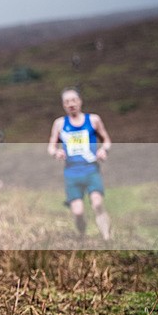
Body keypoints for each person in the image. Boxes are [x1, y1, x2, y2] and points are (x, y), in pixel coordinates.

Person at [47, 87, 112, 240]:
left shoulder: (93, 120)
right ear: (63, 105)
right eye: (67, 102)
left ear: (80, 101)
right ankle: (82, 236)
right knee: (78, 212)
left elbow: (107, 140)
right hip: (72, 173)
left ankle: (107, 238)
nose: (71, 104)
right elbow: (51, 146)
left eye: (74, 100)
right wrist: (56, 152)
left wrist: (104, 150)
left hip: (91, 170)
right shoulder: (59, 124)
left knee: (97, 204)